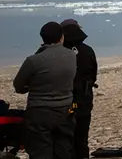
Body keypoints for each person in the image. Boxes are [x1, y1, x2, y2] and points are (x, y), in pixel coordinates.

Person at [13, 22, 77, 159]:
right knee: (63, 149)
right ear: (62, 37)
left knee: (40, 151)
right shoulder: (71, 56)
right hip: (65, 109)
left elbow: (18, 85)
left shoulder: (33, 60)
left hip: (39, 111)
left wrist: (31, 87)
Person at [60, 19, 98, 159]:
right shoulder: (87, 51)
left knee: (63, 141)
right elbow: (93, 74)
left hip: (62, 101)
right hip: (84, 99)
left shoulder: (58, 53)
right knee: (81, 139)